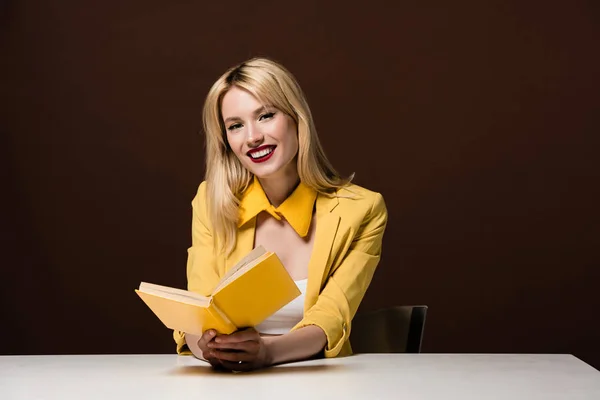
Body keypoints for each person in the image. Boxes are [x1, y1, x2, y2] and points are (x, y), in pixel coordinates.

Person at [173, 57, 388, 371]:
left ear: (295, 117)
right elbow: (196, 315)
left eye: (265, 116)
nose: (252, 137)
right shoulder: (211, 201)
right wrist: (205, 346)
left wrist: (266, 353)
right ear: (226, 140)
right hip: (225, 385)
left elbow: (330, 319)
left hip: (318, 383)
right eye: (235, 125)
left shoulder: (362, 210)